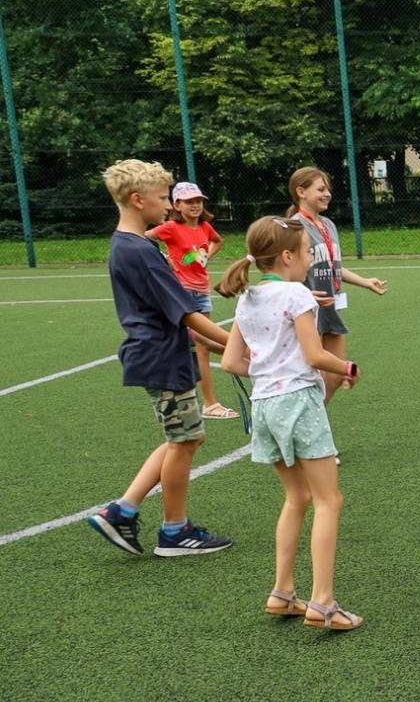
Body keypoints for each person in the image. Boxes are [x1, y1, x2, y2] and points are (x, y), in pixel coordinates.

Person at [217, 216, 363, 630]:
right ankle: (323, 603)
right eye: (304, 253)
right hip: (299, 402)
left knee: (296, 497)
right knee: (328, 501)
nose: (307, 260)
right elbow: (316, 356)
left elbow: (230, 362)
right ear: (287, 256)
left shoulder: (247, 296)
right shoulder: (297, 294)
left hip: (264, 406)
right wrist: (348, 367)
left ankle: (282, 592)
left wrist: (269, 372)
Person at [86, 160, 235, 558]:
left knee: (183, 438)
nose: (169, 205)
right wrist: (239, 347)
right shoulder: (141, 252)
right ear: (137, 200)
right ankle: (173, 532)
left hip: (161, 352)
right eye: (163, 197)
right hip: (161, 358)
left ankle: (123, 509)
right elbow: (187, 313)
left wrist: (222, 347)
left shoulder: (130, 246)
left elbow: (176, 316)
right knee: (186, 439)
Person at [286, 166, 388, 406]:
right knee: (305, 378)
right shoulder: (293, 227)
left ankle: (310, 430)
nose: (327, 193)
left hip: (330, 308)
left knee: (333, 378)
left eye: (328, 189)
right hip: (305, 311)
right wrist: (302, 294)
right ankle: (303, 432)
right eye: (320, 189)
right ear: (301, 192)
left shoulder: (328, 225)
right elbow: (281, 269)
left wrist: (365, 282)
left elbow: (332, 266)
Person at [145, 180, 236, 420]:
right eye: (189, 201)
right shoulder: (170, 228)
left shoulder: (205, 227)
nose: (195, 205)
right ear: (177, 204)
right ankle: (209, 403)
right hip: (182, 292)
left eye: (198, 201)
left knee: (201, 346)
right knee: (198, 344)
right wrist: (165, 258)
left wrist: (206, 256)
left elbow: (217, 241)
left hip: (202, 292)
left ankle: (206, 402)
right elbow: (142, 237)